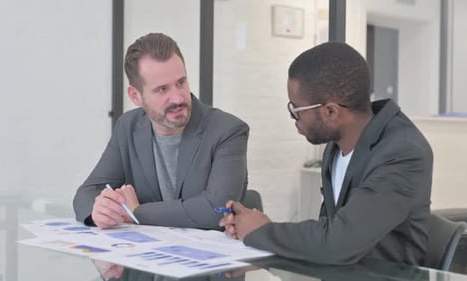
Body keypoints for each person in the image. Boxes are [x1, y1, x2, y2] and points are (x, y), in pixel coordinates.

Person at [220, 42, 433, 266]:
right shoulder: (337, 145)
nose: (294, 118)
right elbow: (327, 232)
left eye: (296, 110)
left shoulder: (403, 153)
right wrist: (259, 227)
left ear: (331, 111)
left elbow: (339, 243)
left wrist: (262, 231)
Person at [73, 33, 249, 230]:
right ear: (135, 96)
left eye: (181, 83)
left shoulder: (227, 131)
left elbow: (217, 210)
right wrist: (100, 210)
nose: (177, 98)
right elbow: (86, 193)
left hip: (214, 257)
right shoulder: (128, 127)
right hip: (147, 255)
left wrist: (137, 212)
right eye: (162, 89)